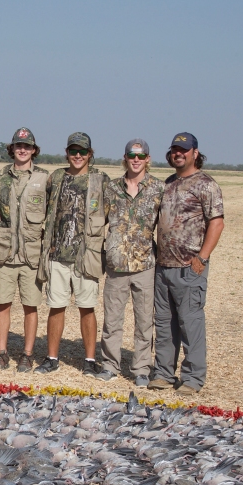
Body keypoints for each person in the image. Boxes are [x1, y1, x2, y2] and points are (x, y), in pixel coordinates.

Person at [148, 132, 225, 395]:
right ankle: (163, 374)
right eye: (174, 150)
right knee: (164, 323)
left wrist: (202, 257)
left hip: (189, 267)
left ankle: (192, 377)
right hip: (163, 266)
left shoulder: (206, 185)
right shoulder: (167, 183)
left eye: (183, 150)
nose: (178, 154)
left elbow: (217, 222)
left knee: (190, 323)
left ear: (195, 153)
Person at [34, 132, 109, 375]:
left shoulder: (100, 180)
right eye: (73, 151)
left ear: (90, 154)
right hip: (57, 255)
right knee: (56, 306)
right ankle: (52, 358)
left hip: (86, 256)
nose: (78, 156)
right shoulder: (56, 177)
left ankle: (89, 361)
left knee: (87, 307)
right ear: (67, 153)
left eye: (83, 152)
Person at [96, 139, 165, 385]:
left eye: (140, 155)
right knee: (112, 321)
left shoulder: (158, 188)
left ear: (147, 158)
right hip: (116, 266)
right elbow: (96, 222)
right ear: (125, 158)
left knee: (145, 322)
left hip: (145, 265)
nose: (136, 160)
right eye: (131, 155)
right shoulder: (111, 188)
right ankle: (110, 365)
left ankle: (141, 370)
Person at [0, 127, 49, 372]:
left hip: (31, 254)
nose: (22, 150)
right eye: (18, 146)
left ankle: (27, 354)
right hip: (5, 252)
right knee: (2, 304)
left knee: (30, 305)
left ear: (34, 150)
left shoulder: (45, 178)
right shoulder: (1, 176)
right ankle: (2, 352)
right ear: (11, 149)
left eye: (27, 146)